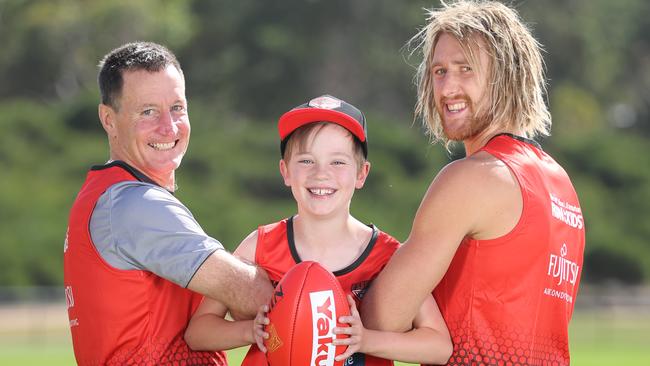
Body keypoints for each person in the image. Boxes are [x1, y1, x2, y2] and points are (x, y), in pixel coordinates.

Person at [362, 1, 586, 365]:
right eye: (439, 71)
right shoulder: (560, 183)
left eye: (465, 69)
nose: (447, 87)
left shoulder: (473, 177)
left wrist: (373, 251)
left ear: (507, 74)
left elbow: (382, 319)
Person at [184, 95, 453, 365]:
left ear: (362, 173)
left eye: (337, 162)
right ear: (285, 171)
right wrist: (250, 330)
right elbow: (198, 332)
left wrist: (366, 340)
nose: (321, 173)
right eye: (306, 161)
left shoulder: (387, 257)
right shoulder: (260, 246)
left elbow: (438, 346)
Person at [63, 42, 274, 365]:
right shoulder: (135, 205)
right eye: (148, 111)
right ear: (108, 119)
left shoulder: (105, 195)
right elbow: (254, 298)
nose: (169, 127)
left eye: (177, 108)